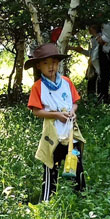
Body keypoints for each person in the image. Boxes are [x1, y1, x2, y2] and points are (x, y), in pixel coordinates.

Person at [26, 43, 86, 202]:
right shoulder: (38, 87)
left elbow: (75, 102)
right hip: (53, 135)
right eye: (45, 63)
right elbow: (36, 111)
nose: (50, 66)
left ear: (58, 63)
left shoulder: (66, 82)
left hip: (71, 134)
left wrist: (73, 111)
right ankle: (47, 201)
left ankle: (81, 198)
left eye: (53, 62)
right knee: (51, 166)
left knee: (76, 165)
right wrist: (56, 115)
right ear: (38, 66)